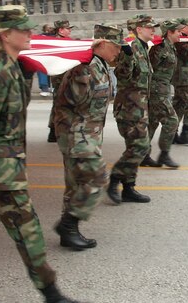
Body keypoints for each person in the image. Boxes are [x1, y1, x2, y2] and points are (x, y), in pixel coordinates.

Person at [0, 5, 94, 303]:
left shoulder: (12, 67)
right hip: (0, 174)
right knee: (30, 235)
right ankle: (53, 299)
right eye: (23, 28)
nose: (30, 33)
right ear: (5, 34)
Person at [52, 25, 125, 250]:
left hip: (89, 134)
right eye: (115, 47)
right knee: (98, 177)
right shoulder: (84, 69)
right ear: (101, 44)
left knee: (76, 183)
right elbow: (66, 105)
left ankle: (69, 233)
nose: (118, 52)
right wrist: (73, 138)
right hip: (77, 134)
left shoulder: (102, 66)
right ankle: (68, 224)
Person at [106, 14, 159, 205]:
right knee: (140, 146)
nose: (153, 30)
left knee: (135, 147)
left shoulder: (144, 48)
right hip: (129, 108)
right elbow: (122, 75)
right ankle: (114, 178)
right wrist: (127, 56)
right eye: (149, 27)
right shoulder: (130, 47)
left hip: (140, 107)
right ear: (139, 29)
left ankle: (128, 188)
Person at [140, 19, 181, 169]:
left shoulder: (171, 47)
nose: (180, 34)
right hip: (157, 90)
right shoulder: (159, 49)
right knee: (171, 120)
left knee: (152, 122)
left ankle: (143, 155)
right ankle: (164, 154)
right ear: (169, 32)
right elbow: (150, 70)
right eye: (177, 31)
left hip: (163, 89)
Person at [46, 20, 76, 143]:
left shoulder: (68, 41)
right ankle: (55, 132)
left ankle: (55, 131)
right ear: (60, 30)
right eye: (67, 28)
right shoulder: (55, 43)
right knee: (60, 105)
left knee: (61, 105)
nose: (69, 31)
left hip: (67, 77)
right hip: (60, 77)